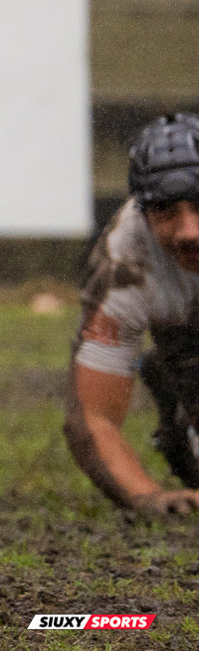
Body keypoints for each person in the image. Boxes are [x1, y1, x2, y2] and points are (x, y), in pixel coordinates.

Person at [65, 114, 199, 514]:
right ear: (142, 211)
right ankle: (179, 388)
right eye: (165, 211)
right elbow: (93, 417)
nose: (188, 231)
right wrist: (147, 497)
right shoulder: (125, 264)